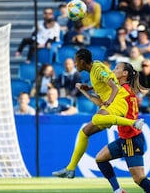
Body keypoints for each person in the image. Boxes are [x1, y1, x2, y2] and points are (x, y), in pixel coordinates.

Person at [52, 48, 144, 178]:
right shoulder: (94, 70)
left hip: (119, 100)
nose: (75, 64)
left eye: (76, 62)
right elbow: (100, 97)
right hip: (113, 102)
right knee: (84, 132)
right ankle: (70, 169)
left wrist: (108, 102)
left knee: (96, 118)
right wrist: (87, 89)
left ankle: (134, 123)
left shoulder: (97, 69)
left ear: (83, 62)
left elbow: (114, 87)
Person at [95, 62, 150, 193]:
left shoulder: (122, 91)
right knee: (100, 158)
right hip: (125, 138)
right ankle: (118, 190)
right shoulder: (124, 89)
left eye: (117, 68)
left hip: (131, 138)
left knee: (139, 178)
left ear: (125, 74)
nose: (114, 70)